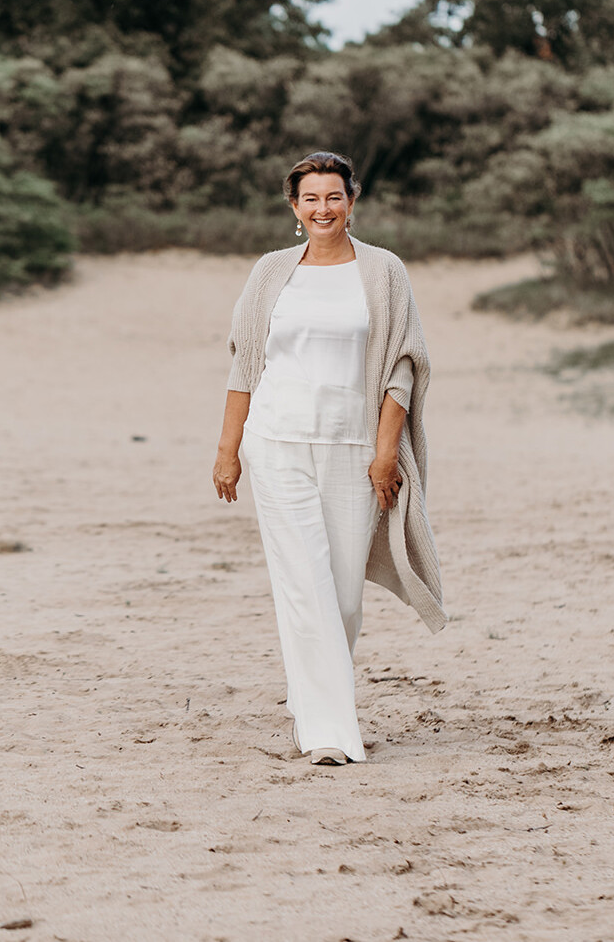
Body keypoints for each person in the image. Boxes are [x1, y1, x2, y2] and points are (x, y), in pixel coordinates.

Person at [212, 151, 445, 767]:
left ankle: (311, 699)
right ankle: (328, 733)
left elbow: (401, 364)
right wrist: (228, 449)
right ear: (294, 207)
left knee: (342, 596)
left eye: (334, 197)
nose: (323, 209)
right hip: (277, 441)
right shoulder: (269, 274)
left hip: (353, 448)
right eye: (310, 199)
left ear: (352, 200)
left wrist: (386, 450)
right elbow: (245, 363)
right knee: (304, 587)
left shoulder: (383, 271)